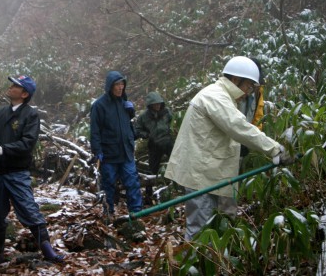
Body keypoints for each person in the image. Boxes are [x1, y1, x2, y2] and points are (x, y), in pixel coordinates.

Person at [164, 56, 291, 241]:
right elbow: (238, 126)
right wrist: (274, 149)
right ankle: (195, 267)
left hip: (210, 172)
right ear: (235, 80)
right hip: (200, 176)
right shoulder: (215, 96)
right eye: (248, 86)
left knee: (215, 228)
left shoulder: (224, 96)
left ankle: (215, 265)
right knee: (201, 230)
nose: (248, 92)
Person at [0, 75, 64, 265]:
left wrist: (4, 149)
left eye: (15, 86)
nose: (10, 88)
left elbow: (28, 143)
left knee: (28, 208)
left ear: (25, 94)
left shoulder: (30, 115)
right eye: (11, 85)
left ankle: (47, 249)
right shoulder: (0, 113)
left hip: (17, 172)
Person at [90, 70, 143, 219]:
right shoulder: (99, 105)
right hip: (109, 153)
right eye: (117, 85)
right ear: (110, 86)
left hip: (126, 152)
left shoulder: (124, 103)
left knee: (132, 182)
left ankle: (136, 213)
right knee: (109, 184)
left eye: (122, 84)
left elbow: (128, 126)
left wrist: (131, 113)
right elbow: (95, 131)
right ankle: (109, 212)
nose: (120, 88)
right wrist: (97, 151)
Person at [135, 91, 174, 204]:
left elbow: (172, 122)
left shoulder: (167, 112)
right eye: (155, 104)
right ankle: (148, 195)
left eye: (159, 104)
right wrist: (146, 135)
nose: (157, 106)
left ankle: (177, 187)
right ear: (150, 105)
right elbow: (137, 129)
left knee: (176, 163)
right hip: (154, 144)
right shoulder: (144, 116)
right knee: (152, 169)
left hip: (167, 142)